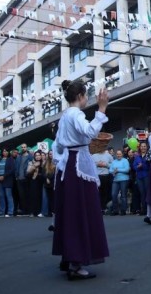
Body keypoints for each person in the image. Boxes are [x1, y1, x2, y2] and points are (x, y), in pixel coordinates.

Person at [52, 79, 109, 280]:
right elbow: (90, 132)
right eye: (86, 95)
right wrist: (102, 108)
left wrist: (60, 161)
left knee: (71, 212)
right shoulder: (76, 113)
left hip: (69, 164)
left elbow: (57, 146)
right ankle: (76, 263)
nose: (87, 99)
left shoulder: (65, 115)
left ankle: (69, 256)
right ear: (80, 96)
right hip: (77, 165)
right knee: (81, 212)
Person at [108, 150, 130, 216]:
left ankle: (123, 210)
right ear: (116, 155)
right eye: (117, 154)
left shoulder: (125, 160)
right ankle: (115, 210)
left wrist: (117, 170)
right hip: (115, 180)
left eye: (120, 154)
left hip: (124, 179)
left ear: (122, 154)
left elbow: (127, 170)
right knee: (113, 194)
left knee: (123, 195)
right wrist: (114, 171)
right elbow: (110, 170)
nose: (118, 155)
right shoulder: (114, 162)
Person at [0, 148, 15, 218]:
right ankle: (1, 212)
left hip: (7, 179)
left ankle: (10, 212)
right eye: (3, 151)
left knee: (8, 196)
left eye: (6, 151)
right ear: (2, 152)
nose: (5, 152)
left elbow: (12, 170)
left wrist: (4, 176)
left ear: (8, 152)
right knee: (1, 196)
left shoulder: (10, 159)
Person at [133, 142, 150, 215]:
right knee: (142, 193)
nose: (143, 147)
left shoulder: (148, 156)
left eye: (144, 146)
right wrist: (137, 167)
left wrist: (142, 165)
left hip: (146, 176)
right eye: (142, 146)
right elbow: (133, 166)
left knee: (147, 192)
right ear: (140, 147)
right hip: (139, 177)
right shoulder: (137, 156)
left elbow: (149, 166)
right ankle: (144, 209)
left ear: (147, 147)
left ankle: (149, 209)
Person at [27, 151, 45, 217]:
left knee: (40, 196)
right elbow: (28, 172)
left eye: (39, 155)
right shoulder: (31, 162)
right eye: (36, 155)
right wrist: (34, 166)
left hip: (42, 181)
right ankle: (32, 212)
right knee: (33, 196)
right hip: (34, 181)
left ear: (41, 156)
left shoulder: (44, 163)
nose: (37, 156)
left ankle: (40, 211)